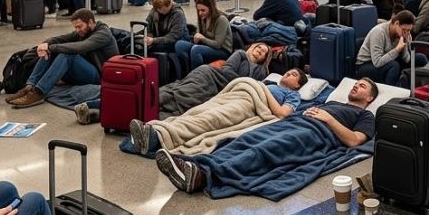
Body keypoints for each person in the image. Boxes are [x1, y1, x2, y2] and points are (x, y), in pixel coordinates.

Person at [157, 78, 379, 194]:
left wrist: (328, 119)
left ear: (369, 97)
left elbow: (355, 141)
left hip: (315, 133)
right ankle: (196, 165)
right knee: (246, 139)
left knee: (265, 149)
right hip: (295, 122)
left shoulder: (365, 115)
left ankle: (203, 177)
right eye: (356, 84)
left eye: (362, 87)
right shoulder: (332, 101)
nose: (356, 87)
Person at [128, 68, 308, 156]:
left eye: (293, 75)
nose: (287, 74)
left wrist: (263, 90)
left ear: (298, 85)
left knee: (209, 119)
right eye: (288, 72)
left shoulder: (292, 95)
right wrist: (261, 86)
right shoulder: (270, 84)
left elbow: (282, 114)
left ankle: (156, 136)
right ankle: (159, 127)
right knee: (197, 112)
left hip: (249, 106)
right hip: (235, 95)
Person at [6, 10, 119, 109]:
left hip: (100, 76)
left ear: (90, 22)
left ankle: (39, 92)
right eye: (75, 27)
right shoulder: (83, 31)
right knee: (53, 51)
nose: (77, 30)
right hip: (88, 70)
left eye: (79, 26)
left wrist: (51, 47)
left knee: (67, 54)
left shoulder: (103, 33)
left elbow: (82, 46)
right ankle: (30, 86)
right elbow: (60, 38)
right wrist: (45, 44)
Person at [355, 10, 424, 86]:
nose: (406, 33)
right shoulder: (379, 32)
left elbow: (406, 60)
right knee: (394, 66)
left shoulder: (403, 34)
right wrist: (397, 49)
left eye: (409, 30)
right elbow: (377, 62)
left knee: (420, 58)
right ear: (396, 23)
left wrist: (404, 44)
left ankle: (420, 88)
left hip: (387, 59)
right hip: (366, 64)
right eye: (404, 30)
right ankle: (391, 93)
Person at [175, 0, 232, 69]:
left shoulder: (221, 20)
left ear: (211, 8)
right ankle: (187, 70)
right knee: (179, 45)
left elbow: (218, 44)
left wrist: (202, 38)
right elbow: (199, 35)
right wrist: (196, 38)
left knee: (196, 50)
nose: (200, 13)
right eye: (198, 10)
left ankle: (197, 75)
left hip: (222, 51)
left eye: (203, 10)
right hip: (206, 46)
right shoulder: (203, 17)